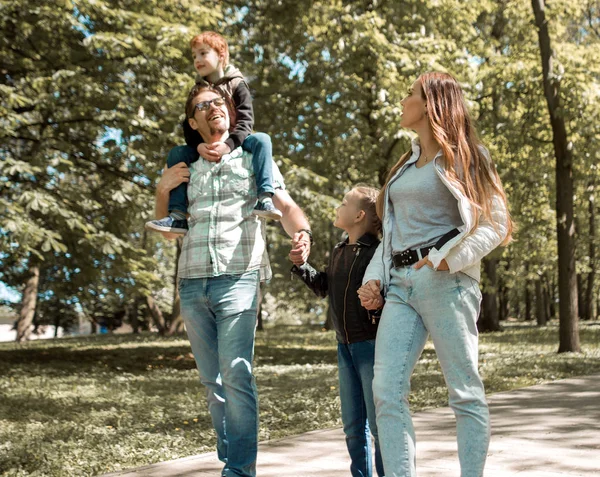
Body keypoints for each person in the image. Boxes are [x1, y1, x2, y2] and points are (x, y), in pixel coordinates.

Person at [357, 72, 514, 477]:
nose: (404, 99)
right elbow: (391, 234)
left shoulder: (468, 157)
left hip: (448, 283)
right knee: (385, 391)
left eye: (411, 94)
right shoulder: (404, 165)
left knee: (464, 391)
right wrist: (374, 277)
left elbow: (495, 223)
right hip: (400, 285)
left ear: (430, 105)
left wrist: (450, 259)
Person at [154, 84, 312, 477]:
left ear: (229, 111)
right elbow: (168, 228)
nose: (212, 109)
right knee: (213, 381)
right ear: (193, 122)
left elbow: (285, 204)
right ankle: (233, 461)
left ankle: (239, 471)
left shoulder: (254, 154)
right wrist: (161, 189)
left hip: (239, 276)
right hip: (192, 281)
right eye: (202, 107)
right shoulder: (185, 165)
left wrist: (303, 233)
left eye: (218, 102)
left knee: (237, 372)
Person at [146, 31, 282, 236]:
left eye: (203, 53)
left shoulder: (237, 83)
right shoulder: (199, 89)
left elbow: (246, 121)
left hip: (238, 140)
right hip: (206, 145)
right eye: (194, 56)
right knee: (176, 154)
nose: (197, 60)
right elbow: (188, 125)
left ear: (221, 55)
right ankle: (178, 216)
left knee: (262, 139)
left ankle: (264, 198)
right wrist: (197, 146)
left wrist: (229, 145)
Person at [291, 185, 385, 477]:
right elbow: (323, 287)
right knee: (353, 425)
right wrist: (301, 265)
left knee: (380, 423)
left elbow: (387, 298)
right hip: (343, 345)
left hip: (370, 345)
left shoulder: (378, 253)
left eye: (343, 203)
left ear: (359, 215)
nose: (337, 207)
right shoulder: (338, 250)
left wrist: (378, 304)